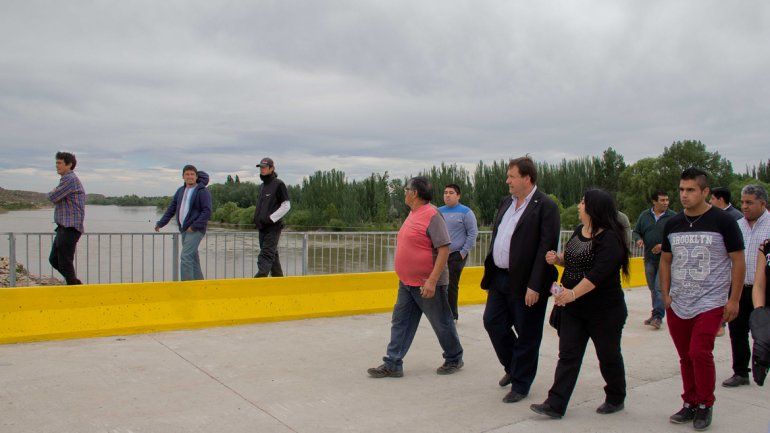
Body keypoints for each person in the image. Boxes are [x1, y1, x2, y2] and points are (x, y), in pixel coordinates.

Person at [530, 189, 630, 419]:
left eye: (583, 202)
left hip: (604, 311)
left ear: (594, 208)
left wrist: (572, 294)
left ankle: (616, 397)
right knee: (568, 355)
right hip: (574, 310)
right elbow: (573, 259)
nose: (579, 206)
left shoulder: (610, 239)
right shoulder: (579, 231)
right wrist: (558, 259)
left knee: (608, 355)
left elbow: (597, 275)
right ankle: (555, 404)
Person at [660, 168, 745, 431]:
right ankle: (690, 401)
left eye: (690, 190)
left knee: (700, 352)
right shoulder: (673, 224)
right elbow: (665, 260)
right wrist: (665, 294)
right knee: (685, 356)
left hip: (711, 301)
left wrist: (734, 300)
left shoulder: (724, 221)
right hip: (679, 301)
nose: (684, 195)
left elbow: (738, 260)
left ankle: (706, 403)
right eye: (681, 190)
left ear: (705, 191)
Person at [480, 156, 560, 403]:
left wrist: (535, 285)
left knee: (527, 332)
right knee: (492, 322)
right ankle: (513, 367)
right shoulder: (507, 202)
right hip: (500, 277)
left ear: (527, 178)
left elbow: (545, 247)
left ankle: (521, 383)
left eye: (511, 176)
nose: (507, 181)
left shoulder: (545, 206)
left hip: (527, 281)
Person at [367, 177, 463, 378]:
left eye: (406, 189)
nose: (405, 192)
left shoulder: (432, 214)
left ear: (415, 193)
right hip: (407, 282)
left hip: (428, 284)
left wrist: (432, 280)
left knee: (442, 322)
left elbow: (444, 249)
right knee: (400, 322)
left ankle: (454, 358)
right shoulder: (413, 213)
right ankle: (393, 363)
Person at [723, 185, 770, 387]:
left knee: (764, 333)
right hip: (740, 289)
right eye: (742, 202)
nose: (744, 206)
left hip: (765, 291)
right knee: (737, 331)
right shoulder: (737, 226)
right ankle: (741, 372)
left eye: (749, 202)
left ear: (762, 203)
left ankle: (763, 364)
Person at [155, 165, 212, 281]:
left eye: (192, 174)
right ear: (183, 176)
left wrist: (194, 226)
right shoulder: (180, 191)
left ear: (196, 176)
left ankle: (186, 288)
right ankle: (200, 285)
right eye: (187, 174)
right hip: (184, 230)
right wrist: (161, 223)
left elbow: (207, 211)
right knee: (193, 258)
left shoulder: (202, 191)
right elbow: (172, 209)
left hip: (195, 230)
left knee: (185, 257)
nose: (189, 176)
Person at [633, 190, 676, 330]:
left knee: (659, 288)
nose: (666, 203)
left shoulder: (673, 217)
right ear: (654, 202)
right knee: (652, 288)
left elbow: (678, 237)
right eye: (662, 200)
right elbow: (636, 231)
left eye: (667, 200)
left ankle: (658, 316)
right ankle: (655, 313)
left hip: (666, 259)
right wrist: (638, 239)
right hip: (649, 258)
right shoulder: (644, 216)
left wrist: (664, 246)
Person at [439, 184, 479, 321]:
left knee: (451, 284)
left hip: (456, 255)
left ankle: (452, 316)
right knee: (439, 284)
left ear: (458, 195)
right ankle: (441, 313)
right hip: (440, 255)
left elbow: (473, 233)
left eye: (451, 192)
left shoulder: (466, 212)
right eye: (445, 192)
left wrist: (463, 252)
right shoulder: (438, 211)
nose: (447, 195)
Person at [47, 151, 85, 285]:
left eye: (59, 163)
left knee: (64, 262)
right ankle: (75, 283)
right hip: (63, 227)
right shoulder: (66, 180)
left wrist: (53, 192)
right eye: (56, 162)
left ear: (69, 165)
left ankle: (75, 288)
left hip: (70, 227)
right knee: (54, 260)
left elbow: (53, 196)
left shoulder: (70, 179)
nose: (57, 166)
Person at [252, 157, 291, 277]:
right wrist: (256, 219)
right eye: (261, 168)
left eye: (264, 167)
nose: (262, 170)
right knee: (273, 257)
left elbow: (286, 205)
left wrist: (271, 218)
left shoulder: (278, 184)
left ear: (271, 168)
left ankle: (258, 282)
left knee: (266, 255)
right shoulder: (263, 186)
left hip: (273, 228)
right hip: (262, 227)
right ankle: (279, 283)